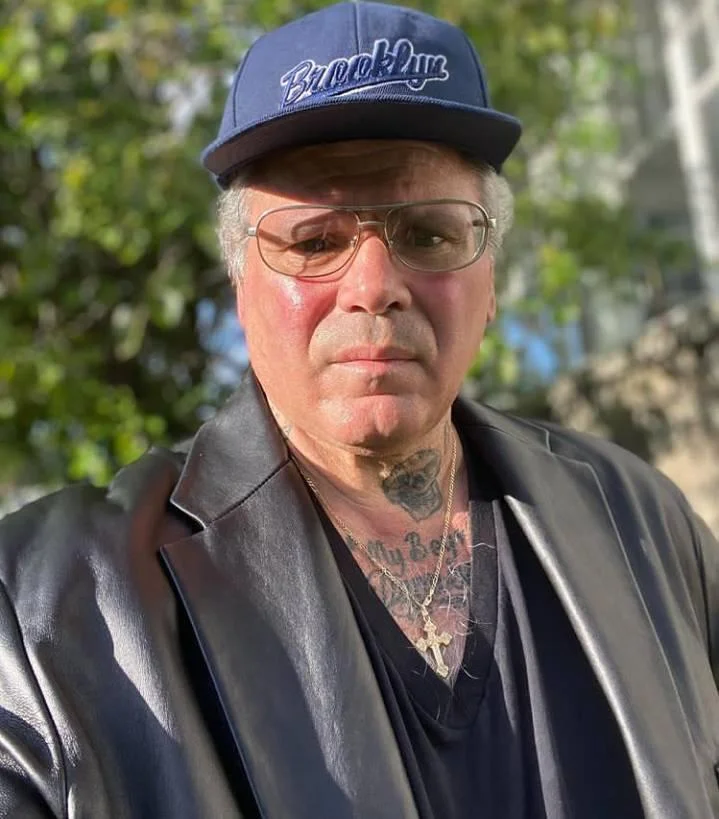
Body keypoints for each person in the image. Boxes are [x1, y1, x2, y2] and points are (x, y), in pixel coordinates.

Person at [1, 2, 718, 817]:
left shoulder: (645, 529)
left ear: (490, 289)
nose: (374, 286)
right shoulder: (43, 611)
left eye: (430, 234)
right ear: (241, 287)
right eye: (312, 241)